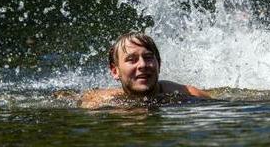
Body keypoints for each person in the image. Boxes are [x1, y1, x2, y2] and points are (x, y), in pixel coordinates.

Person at [80, 31, 210, 109]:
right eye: (132, 59)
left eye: (148, 57)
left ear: (159, 64)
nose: (142, 65)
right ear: (115, 71)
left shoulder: (188, 94)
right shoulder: (101, 101)